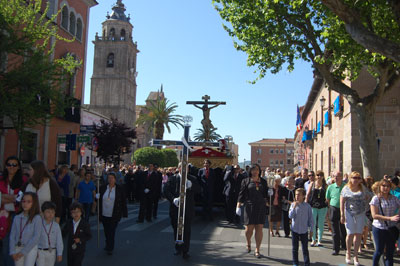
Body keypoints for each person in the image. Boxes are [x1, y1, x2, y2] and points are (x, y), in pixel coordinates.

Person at [163, 164, 200, 259]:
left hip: (188, 209)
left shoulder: (192, 178)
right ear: (179, 168)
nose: (184, 169)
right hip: (175, 209)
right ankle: (178, 248)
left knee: (187, 230)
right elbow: (165, 190)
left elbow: (199, 190)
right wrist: (173, 199)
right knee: (176, 229)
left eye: (186, 168)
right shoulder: (172, 178)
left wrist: (191, 186)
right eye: (182, 167)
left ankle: (185, 251)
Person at [1, 156, 28, 266]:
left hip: (17, 215)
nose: (11, 167)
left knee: (14, 245)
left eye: (14, 165)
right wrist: (13, 197)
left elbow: (21, 199)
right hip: (3, 215)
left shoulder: (23, 181)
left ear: (18, 167)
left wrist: (4, 197)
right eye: (9, 164)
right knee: (5, 245)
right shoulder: (1, 180)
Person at [236, 164, 268, 258]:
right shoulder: (245, 181)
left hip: (260, 206)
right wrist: (238, 206)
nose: (255, 171)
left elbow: (266, 194)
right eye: (253, 170)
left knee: (259, 228)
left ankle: (257, 249)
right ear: (250, 171)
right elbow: (241, 194)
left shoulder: (264, 182)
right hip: (249, 206)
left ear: (259, 171)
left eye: (257, 170)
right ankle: (248, 242)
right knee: (249, 229)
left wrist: (270, 194)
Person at [370, 178, 400, 266]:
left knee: (390, 252)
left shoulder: (394, 198)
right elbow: (374, 215)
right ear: (380, 186)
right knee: (379, 250)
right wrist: (390, 218)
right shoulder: (376, 199)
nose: (385, 188)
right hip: (379, 228)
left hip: (391, 228)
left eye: (388, 186)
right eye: (383, 186)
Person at [340, 171, 368, 266]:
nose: (356, 180)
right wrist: (342, 215)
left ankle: (355, 255)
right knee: (350, 234)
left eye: (358, 178)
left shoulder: (362, 188)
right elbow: (342, 201)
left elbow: (368, 196)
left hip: (360, 214)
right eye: (354, 178)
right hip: (349, 213)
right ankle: (348, 253)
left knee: (359, 234)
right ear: (350, 178)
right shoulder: (346, 188)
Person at [98, 172, 128, 255]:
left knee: (111, 231)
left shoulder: (119, 189)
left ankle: (110, 247)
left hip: (114, 213)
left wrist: (125, 213)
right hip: (104, 213)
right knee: (106, 231)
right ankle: (108, 243)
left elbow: (123, 201)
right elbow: (99, 199)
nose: (110, 180)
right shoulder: (103, 188)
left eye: (112, 178)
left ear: (115, 179)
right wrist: (97, 197)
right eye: (109, 178)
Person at [9, 192, 41, 266]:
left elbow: (36, 237)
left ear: (34, 203)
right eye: (23, 201)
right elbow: (12, 235)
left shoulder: (37, 218)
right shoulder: (17, 218)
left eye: (28, 201)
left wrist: (23, 252)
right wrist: (12, 251)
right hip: (18, 247)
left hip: (30, 249)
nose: (25, 204)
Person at [289, 188, 313, 266]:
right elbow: (290, 216)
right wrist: (294, 207)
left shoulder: (307, 206)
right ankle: (295, 263)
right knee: (295, 248)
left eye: (299, 195)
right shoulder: (293, 205)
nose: (297, 196)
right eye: (296, 194)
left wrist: (311, 230)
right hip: (295, 229)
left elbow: (310, 219)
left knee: (305, 248)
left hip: (304, 230)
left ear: (303, 196)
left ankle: (307, 263)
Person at [326, 171, 347, 255]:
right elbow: (327, 199)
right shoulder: (330, 187)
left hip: (344, 209)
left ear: (342, 177)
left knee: (343, 229)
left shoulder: (345, 187)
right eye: (334, 176)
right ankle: (336, 248)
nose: (336, 178)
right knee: (335, 230)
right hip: (333, 208)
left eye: (338, 176)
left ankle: (344, 245)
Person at [36, 201, 63, 266]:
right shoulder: (39, 224)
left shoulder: (56, 226)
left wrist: (59, 253)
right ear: (42, 213)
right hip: (40, 251)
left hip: (52, 252)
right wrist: (35, 251)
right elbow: (35, 239)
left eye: (52, 212)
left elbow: (59, 241)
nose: (50, 214)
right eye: (48, 212)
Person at [306, 170, 328, 247]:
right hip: (313, 206)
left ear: (323, 176)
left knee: (321, 224)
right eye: (318, 175)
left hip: (322, 206)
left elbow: (327, 197)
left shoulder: (325, 185)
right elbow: (308, 195)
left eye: (321, 175)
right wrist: (306, 204)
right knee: (313, 223)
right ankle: (313, 240)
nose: (319, 177)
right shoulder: (312, 184)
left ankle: (319, 240)